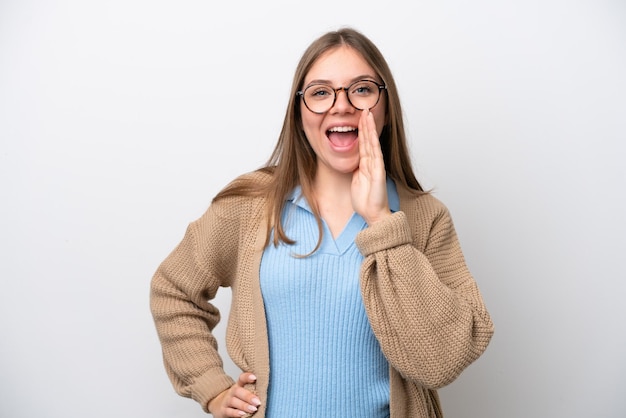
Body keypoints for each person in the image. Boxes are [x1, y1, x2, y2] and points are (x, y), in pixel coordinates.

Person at [150, 27, 494, 418]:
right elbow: (174, 289)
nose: (341, 105)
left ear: (385, 107)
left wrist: (382, 222)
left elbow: (442, 360)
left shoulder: (424, 217)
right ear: (299, 113)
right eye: (320, 92)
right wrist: (211, 387)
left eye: (361, 89)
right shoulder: (249, 206)